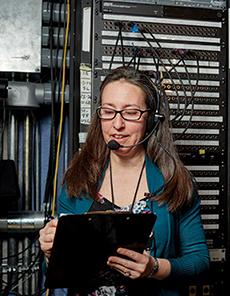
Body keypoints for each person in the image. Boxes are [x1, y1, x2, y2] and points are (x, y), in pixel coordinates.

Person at [39, 66, 210, 295]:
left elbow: (200, 262)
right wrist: (52, 254)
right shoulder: (78, 178)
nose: (117, 125)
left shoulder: (175, 181)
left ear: (151, 119)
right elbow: (53, 271)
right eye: (108, 111)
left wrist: (154, 268)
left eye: (130, 113)